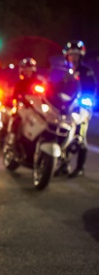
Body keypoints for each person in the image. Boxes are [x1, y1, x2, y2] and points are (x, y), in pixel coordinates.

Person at [62, 40, 98, 177]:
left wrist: (87, 100)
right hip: (66, 108)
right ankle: (63, 165)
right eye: (71, 55)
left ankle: (80, 167)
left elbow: (92, 88)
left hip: (81, 108)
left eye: (76, 55)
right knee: (63, 133)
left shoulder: (86, 71)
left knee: (80, 136)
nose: (73, 58)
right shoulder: (64, 72)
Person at [6, 57, 46, 147]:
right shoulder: (19, 84)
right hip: (23, 109)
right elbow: (14, 97)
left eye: (30, 70)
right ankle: (14, 141)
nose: (28, 72)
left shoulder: (39, 83)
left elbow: (45, 95)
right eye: (26, 70)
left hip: (37, 110)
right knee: (16, 119)